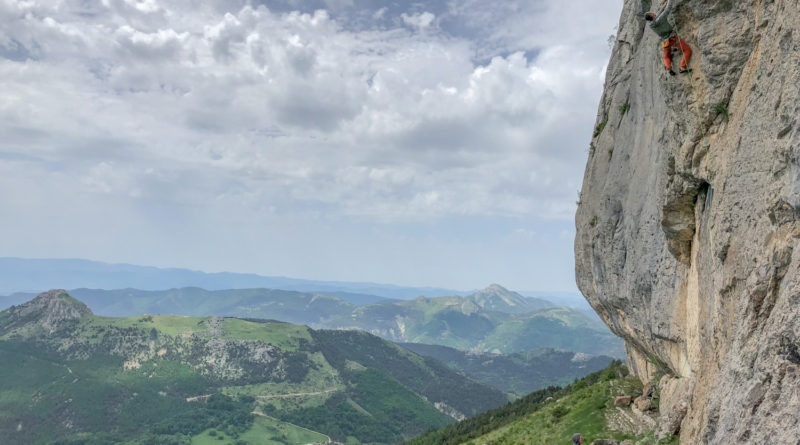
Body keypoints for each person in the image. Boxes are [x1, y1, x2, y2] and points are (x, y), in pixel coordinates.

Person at [642, 0, 692, 75]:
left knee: (666, 56)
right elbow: (667, 9)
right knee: (687, 50)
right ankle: (682, 67)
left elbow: (658, 14)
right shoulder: (659, 20)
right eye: (652, 13)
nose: (654, 13)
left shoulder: (650, 24)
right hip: (672, 38)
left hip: (665, 42)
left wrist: (663, 6)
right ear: (652, 16)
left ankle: (669, 68)